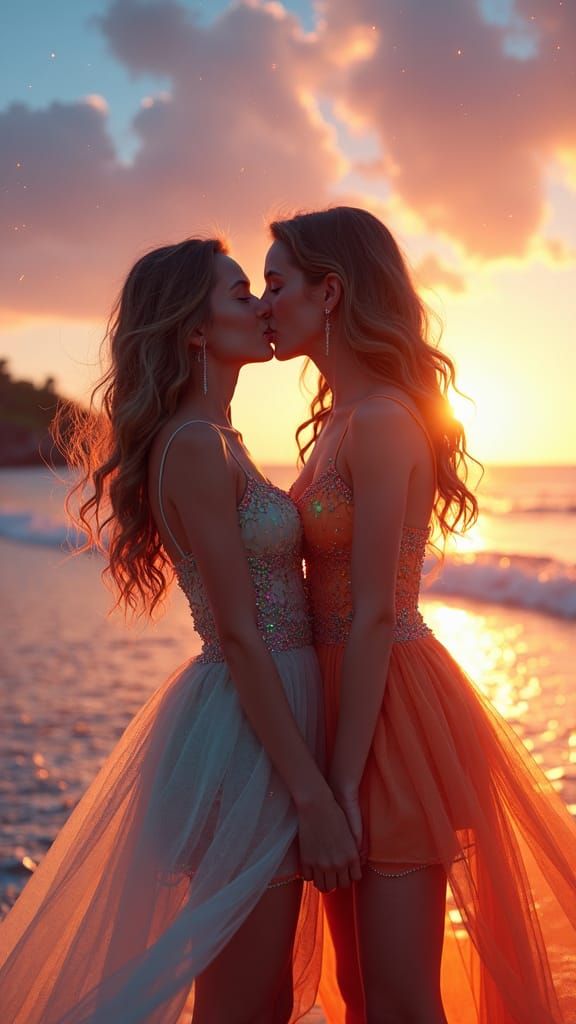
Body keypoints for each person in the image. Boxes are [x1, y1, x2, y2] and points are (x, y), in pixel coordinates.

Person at [0, 237, 361, 1024]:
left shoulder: (221, 441)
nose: (262, 306)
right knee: (241, 1007)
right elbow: (237, 633)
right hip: (248, 733)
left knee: (260, 1000)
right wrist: (313, 796)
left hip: (268, 715)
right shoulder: (196, 446)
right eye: (240, 294)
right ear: (194, 332)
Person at [263, 206, 576, 1024]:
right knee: (361, 993)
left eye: (277, 284)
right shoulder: (337, 420)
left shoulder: (383, 420)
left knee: (400, 998)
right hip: (338, 699)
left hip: (389, 714)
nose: (266, 304)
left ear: (329, 292)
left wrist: (335, 783)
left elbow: (372, 616)